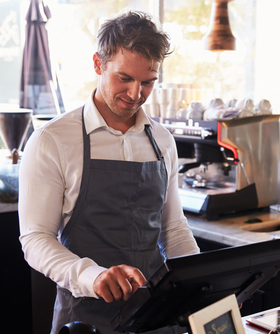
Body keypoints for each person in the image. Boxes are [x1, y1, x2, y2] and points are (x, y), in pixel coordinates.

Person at [18, 10, 200, 334]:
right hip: (85, 320)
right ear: (98, 65)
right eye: (124, 78)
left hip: (157, 319)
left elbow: (173, 230)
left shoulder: (162, 140)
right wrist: (92, 275)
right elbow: (35, 239)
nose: (135, 94)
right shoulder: (52, 141)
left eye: (148, 82)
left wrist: (202, 284)